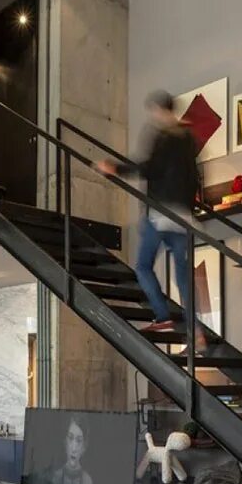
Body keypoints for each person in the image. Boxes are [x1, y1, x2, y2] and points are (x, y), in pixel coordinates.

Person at [96, 90, 201, 333]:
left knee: (143, 266)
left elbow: (148, 168)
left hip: (161, 213)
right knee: (183, 275)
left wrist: (114, 168)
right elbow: (194, 176)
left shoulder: (163, 137)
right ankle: (196, 331)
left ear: (160, 109)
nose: (153, 116)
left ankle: (163, 316)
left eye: (154, 111)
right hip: (183, 217)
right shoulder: (188, 138)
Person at [47, 415, 95, 484]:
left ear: (84, 446)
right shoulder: (56, 478)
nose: (74, 448)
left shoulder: (87, 482)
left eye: (79, 440)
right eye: (70, 438)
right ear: (65, 441)